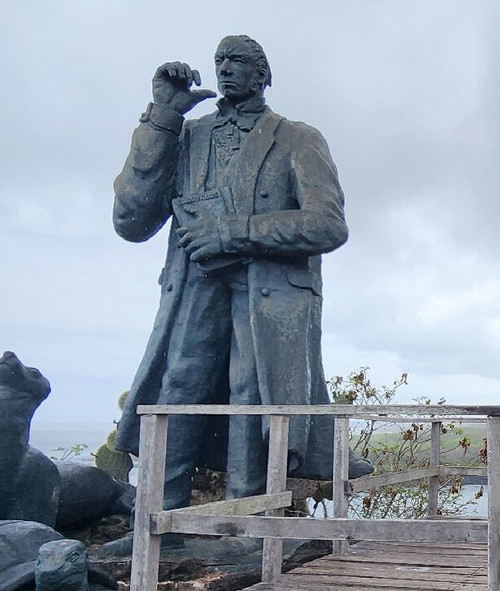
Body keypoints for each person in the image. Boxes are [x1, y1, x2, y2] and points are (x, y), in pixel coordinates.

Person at [113, 35, 370, 517]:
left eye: (238, 61)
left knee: (252, 388)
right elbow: (131, 220)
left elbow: (329, 224)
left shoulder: (298, 137)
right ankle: (158, 517)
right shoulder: (187, 137)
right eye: (219, 61)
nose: (225, 68)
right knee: (179, 383)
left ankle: (247, 519)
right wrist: (164, 116)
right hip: (194, 282)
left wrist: (237, 232)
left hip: (268, 295)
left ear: (263, 73)